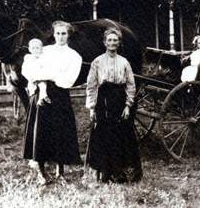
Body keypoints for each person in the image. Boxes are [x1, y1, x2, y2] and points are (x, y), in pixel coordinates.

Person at [23, 21, 82, 185]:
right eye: (58, 33)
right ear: (53, 34)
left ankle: (60, 171)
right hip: (42, 93)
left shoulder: (74, 56)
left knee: (60, 131)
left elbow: (68, 80)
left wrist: (48, 75)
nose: (60, 37)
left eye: (64, 33)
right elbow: (30, 69)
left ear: (68, 35)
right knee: (41, 131)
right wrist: (43, 76)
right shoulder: (44, 51)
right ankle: (41, 172)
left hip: (60, 95)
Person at [85, 27, 142, 183]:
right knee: (104, 135)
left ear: (119, 43)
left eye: (115, 40)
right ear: (104, 42)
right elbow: (91, 85)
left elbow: (131, 85)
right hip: (103, 101)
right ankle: (104, 173)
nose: (112, 43)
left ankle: (119, 172)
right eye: (109, 40)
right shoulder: (97, 62)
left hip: (119, 101)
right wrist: (92, 107)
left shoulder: (124, 62)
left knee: (119, 136)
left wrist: (128, 105)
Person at [21, 38, 50, 105]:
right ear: (29, 49)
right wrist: (31, 78)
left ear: (41, 49)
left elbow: (46, 67)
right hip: (32, 78)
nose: (35, 50)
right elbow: (24, 70)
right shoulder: (28, 58)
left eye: (37, 48)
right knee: (32, 88)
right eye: (33, 48)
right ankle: (37, 98)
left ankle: (42, 98)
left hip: (41, 77)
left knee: (43, 85)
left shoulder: (43, 58)